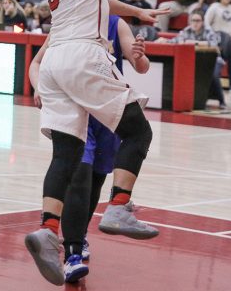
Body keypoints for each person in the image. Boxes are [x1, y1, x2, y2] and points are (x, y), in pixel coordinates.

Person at [0, 0, 221, 285]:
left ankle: (48, 230)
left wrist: (133, 12)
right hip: (82, 54)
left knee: (66, 155)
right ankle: (119, 206)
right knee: (138, 134)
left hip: (54, 61)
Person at [30, 15, 150, 283]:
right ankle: (71, 254)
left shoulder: (115, 23)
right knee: (79, 178)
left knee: (96, 179)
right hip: (76, 112)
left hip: (106, 113)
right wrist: (39, 86)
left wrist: (139, 56)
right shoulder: (69, 22)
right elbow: (36, 63)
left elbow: (140, 66)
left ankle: (79, 238)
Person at [162, 10, 230, 112]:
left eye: (198, 20)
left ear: (202, 22)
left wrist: (195, 43)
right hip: (195, 61)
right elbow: (176, 41)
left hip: (214, 60)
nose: (195, 23)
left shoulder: (208, 31)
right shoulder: (186, 31)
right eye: (193, 20)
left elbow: (214, 44)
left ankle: (221, 100)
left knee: (214, 74)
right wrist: (164, 41)